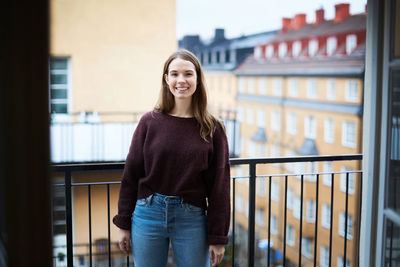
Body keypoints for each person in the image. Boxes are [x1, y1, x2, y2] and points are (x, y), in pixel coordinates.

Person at [113, 49, 231, 267]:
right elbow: (131, 174)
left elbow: (220, 188)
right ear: (166, 79)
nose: (181, 80)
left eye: (188, 74)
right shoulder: (149, 122)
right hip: (147, 215)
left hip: (192, 218)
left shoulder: (213, 128)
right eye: (174, 74)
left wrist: (218, 237)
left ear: (197, 79)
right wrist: (123, 224)